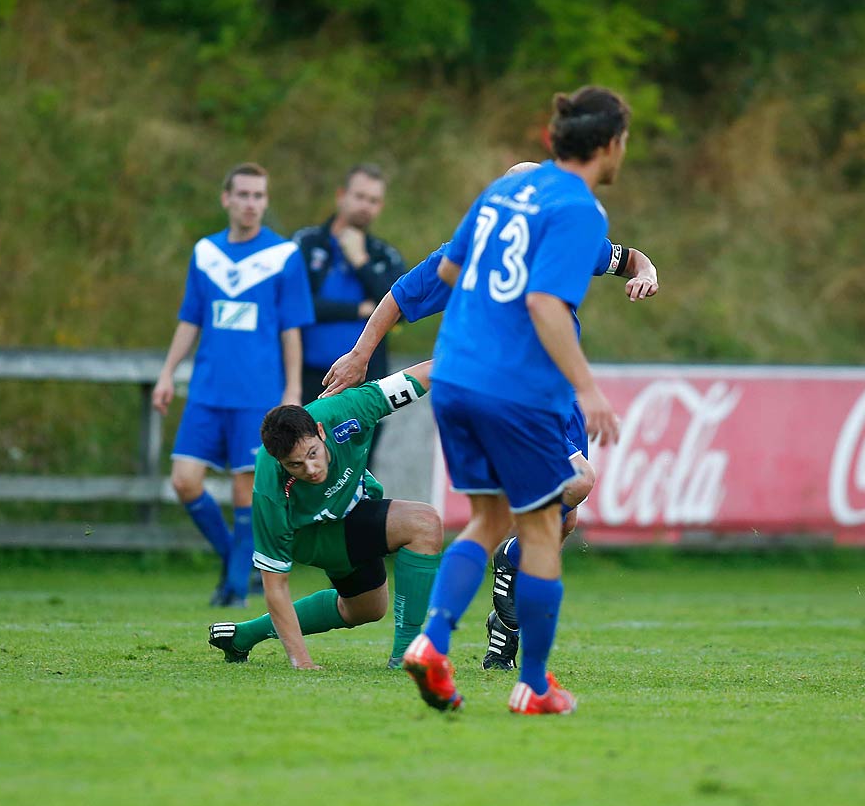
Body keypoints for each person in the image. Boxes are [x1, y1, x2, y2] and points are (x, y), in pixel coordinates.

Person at [323, 163, 659, 670]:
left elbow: (628, 258)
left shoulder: (565, 236)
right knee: (574, 483)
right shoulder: (473, 249)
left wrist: (647, 273)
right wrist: (360, 354)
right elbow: (401, 295)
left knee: (562, 521)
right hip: (516, 393)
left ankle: (502, 640)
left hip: (557, 395)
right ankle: (464, 631)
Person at [401, 86, 630, 716]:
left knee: (487, 519)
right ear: (609, 144)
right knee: (538, 530)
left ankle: (432, 641)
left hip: (455, 377)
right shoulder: (580, 208)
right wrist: (587, 389)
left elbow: (450, 274)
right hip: (512, 386)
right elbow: (545, 304)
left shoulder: (499, 194)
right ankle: (532, 684)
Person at [153, 163, 313, 607]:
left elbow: (291, 329)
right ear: (226, 198)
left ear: (266, 201)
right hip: (206, 390)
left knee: (247, 491)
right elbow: (191, 318)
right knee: (184, 481)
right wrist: (168, 372)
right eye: (243, 194)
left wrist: (293, 391)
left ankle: (232, 591)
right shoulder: (206, 253)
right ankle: (234, 564)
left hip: (257, 395)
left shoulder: (283, 256)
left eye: (259, 196)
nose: (251, 203)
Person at [208, 362, 441, 668]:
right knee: (424, 524)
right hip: (312, 535)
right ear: (280, 462)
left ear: (320, 430)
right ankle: (408, 658)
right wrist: (301, 660)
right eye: (295, 465)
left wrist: (468, 356)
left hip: (351, 511)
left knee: (365, 609)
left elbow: (415, 379)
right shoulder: (268, 487)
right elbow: (274, 584)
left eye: (313, 454)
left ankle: (243, 636)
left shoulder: (346, 409)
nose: (311, 469)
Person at [292, 164, 406, 404]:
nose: (366, 206)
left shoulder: (384, 256)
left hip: (362, 386)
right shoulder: (307, 243)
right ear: (341, 196)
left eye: (374, 201)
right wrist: (358, 310)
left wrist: (361, 262)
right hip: (306, 379)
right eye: (360, 197)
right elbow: (295, 305)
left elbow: (402, 309)